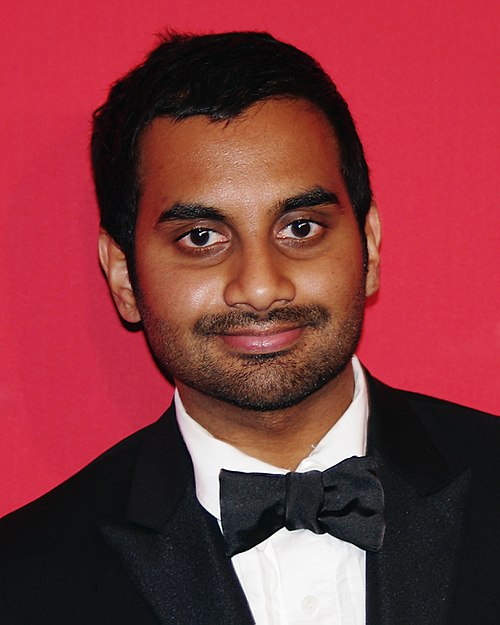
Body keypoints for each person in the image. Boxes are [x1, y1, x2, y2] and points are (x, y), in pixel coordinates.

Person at [0, 31, 498, 625]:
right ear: (124, 278)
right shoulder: (22, 578)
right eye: (201, 237)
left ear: (369, 246)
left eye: (301, 228)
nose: (261, 287)